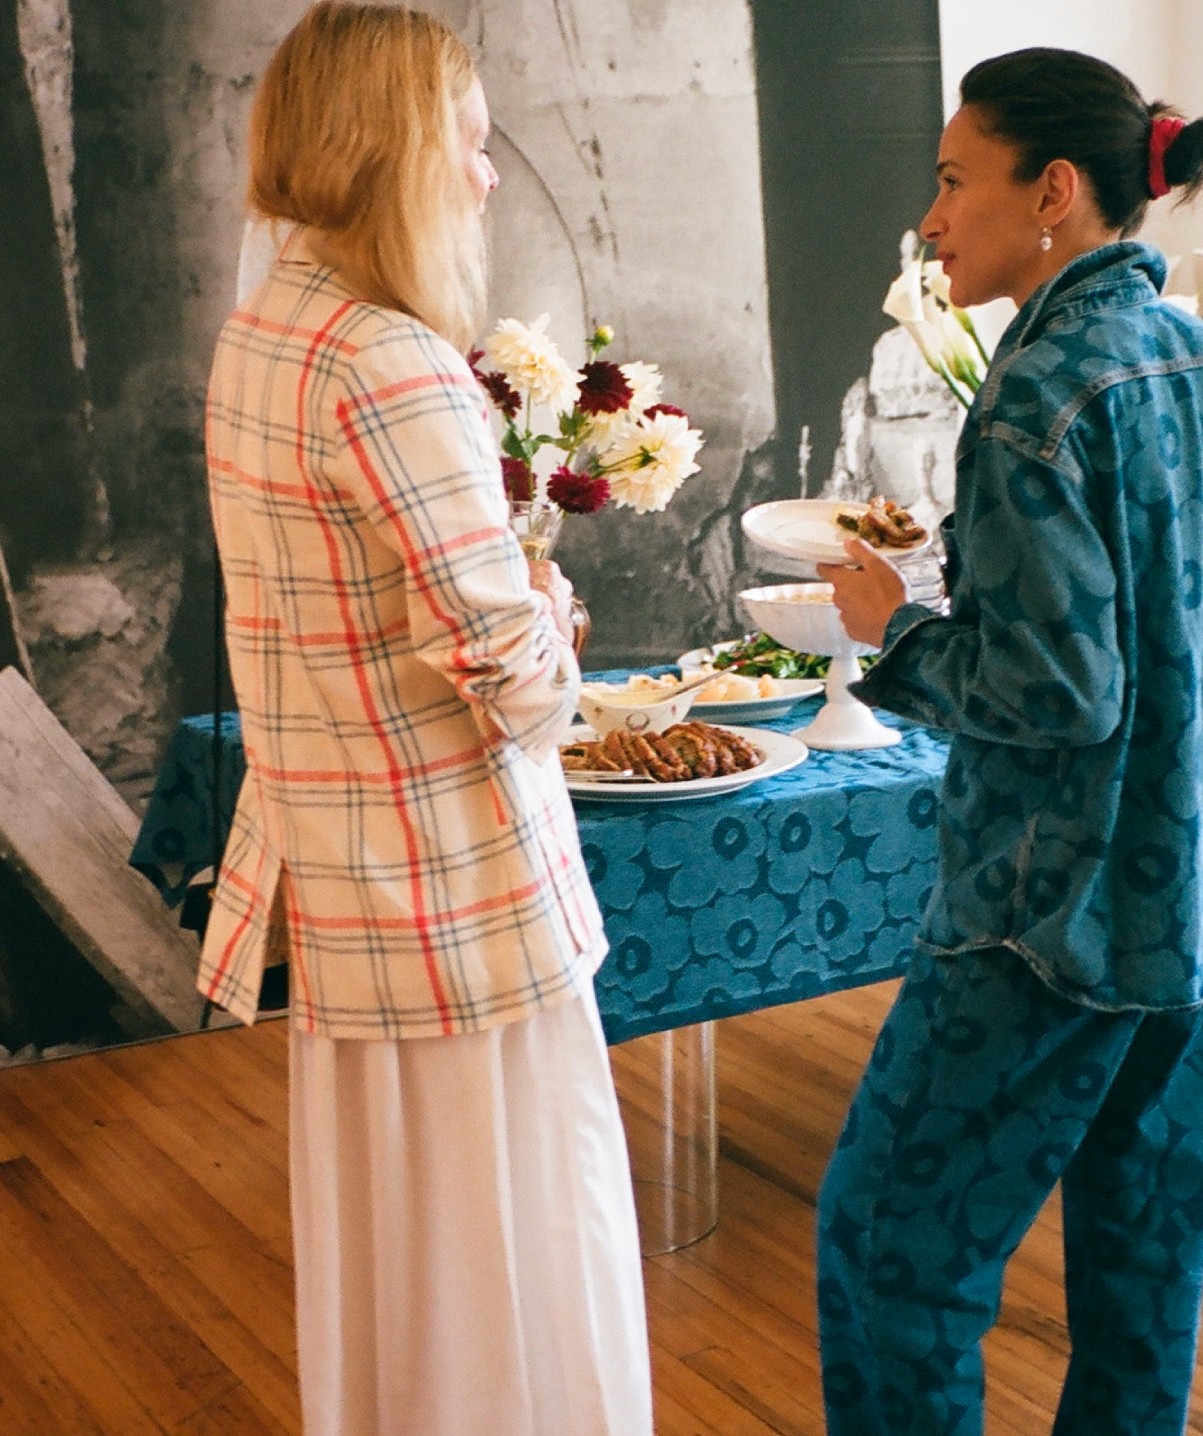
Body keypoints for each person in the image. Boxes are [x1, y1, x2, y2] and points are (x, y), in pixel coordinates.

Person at [813, 47, 1203, 1436]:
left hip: (1048, 917)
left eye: (958, 179)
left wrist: (891, 630)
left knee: (889, 1255)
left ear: (1058, 193)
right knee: (1144, 1274)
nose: (933, 216)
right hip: (1199, 902)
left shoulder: (1037, 398)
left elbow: (1056, 692)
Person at [199, 6, 651, 1433]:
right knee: (506, 1263)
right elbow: (508, 670)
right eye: (468, 138)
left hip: (349, 879)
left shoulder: (267, 327)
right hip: (455, 894)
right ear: (397, 149)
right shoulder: (388, 361)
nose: (490, 172)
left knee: (406, 1263)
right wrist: (556, 624)